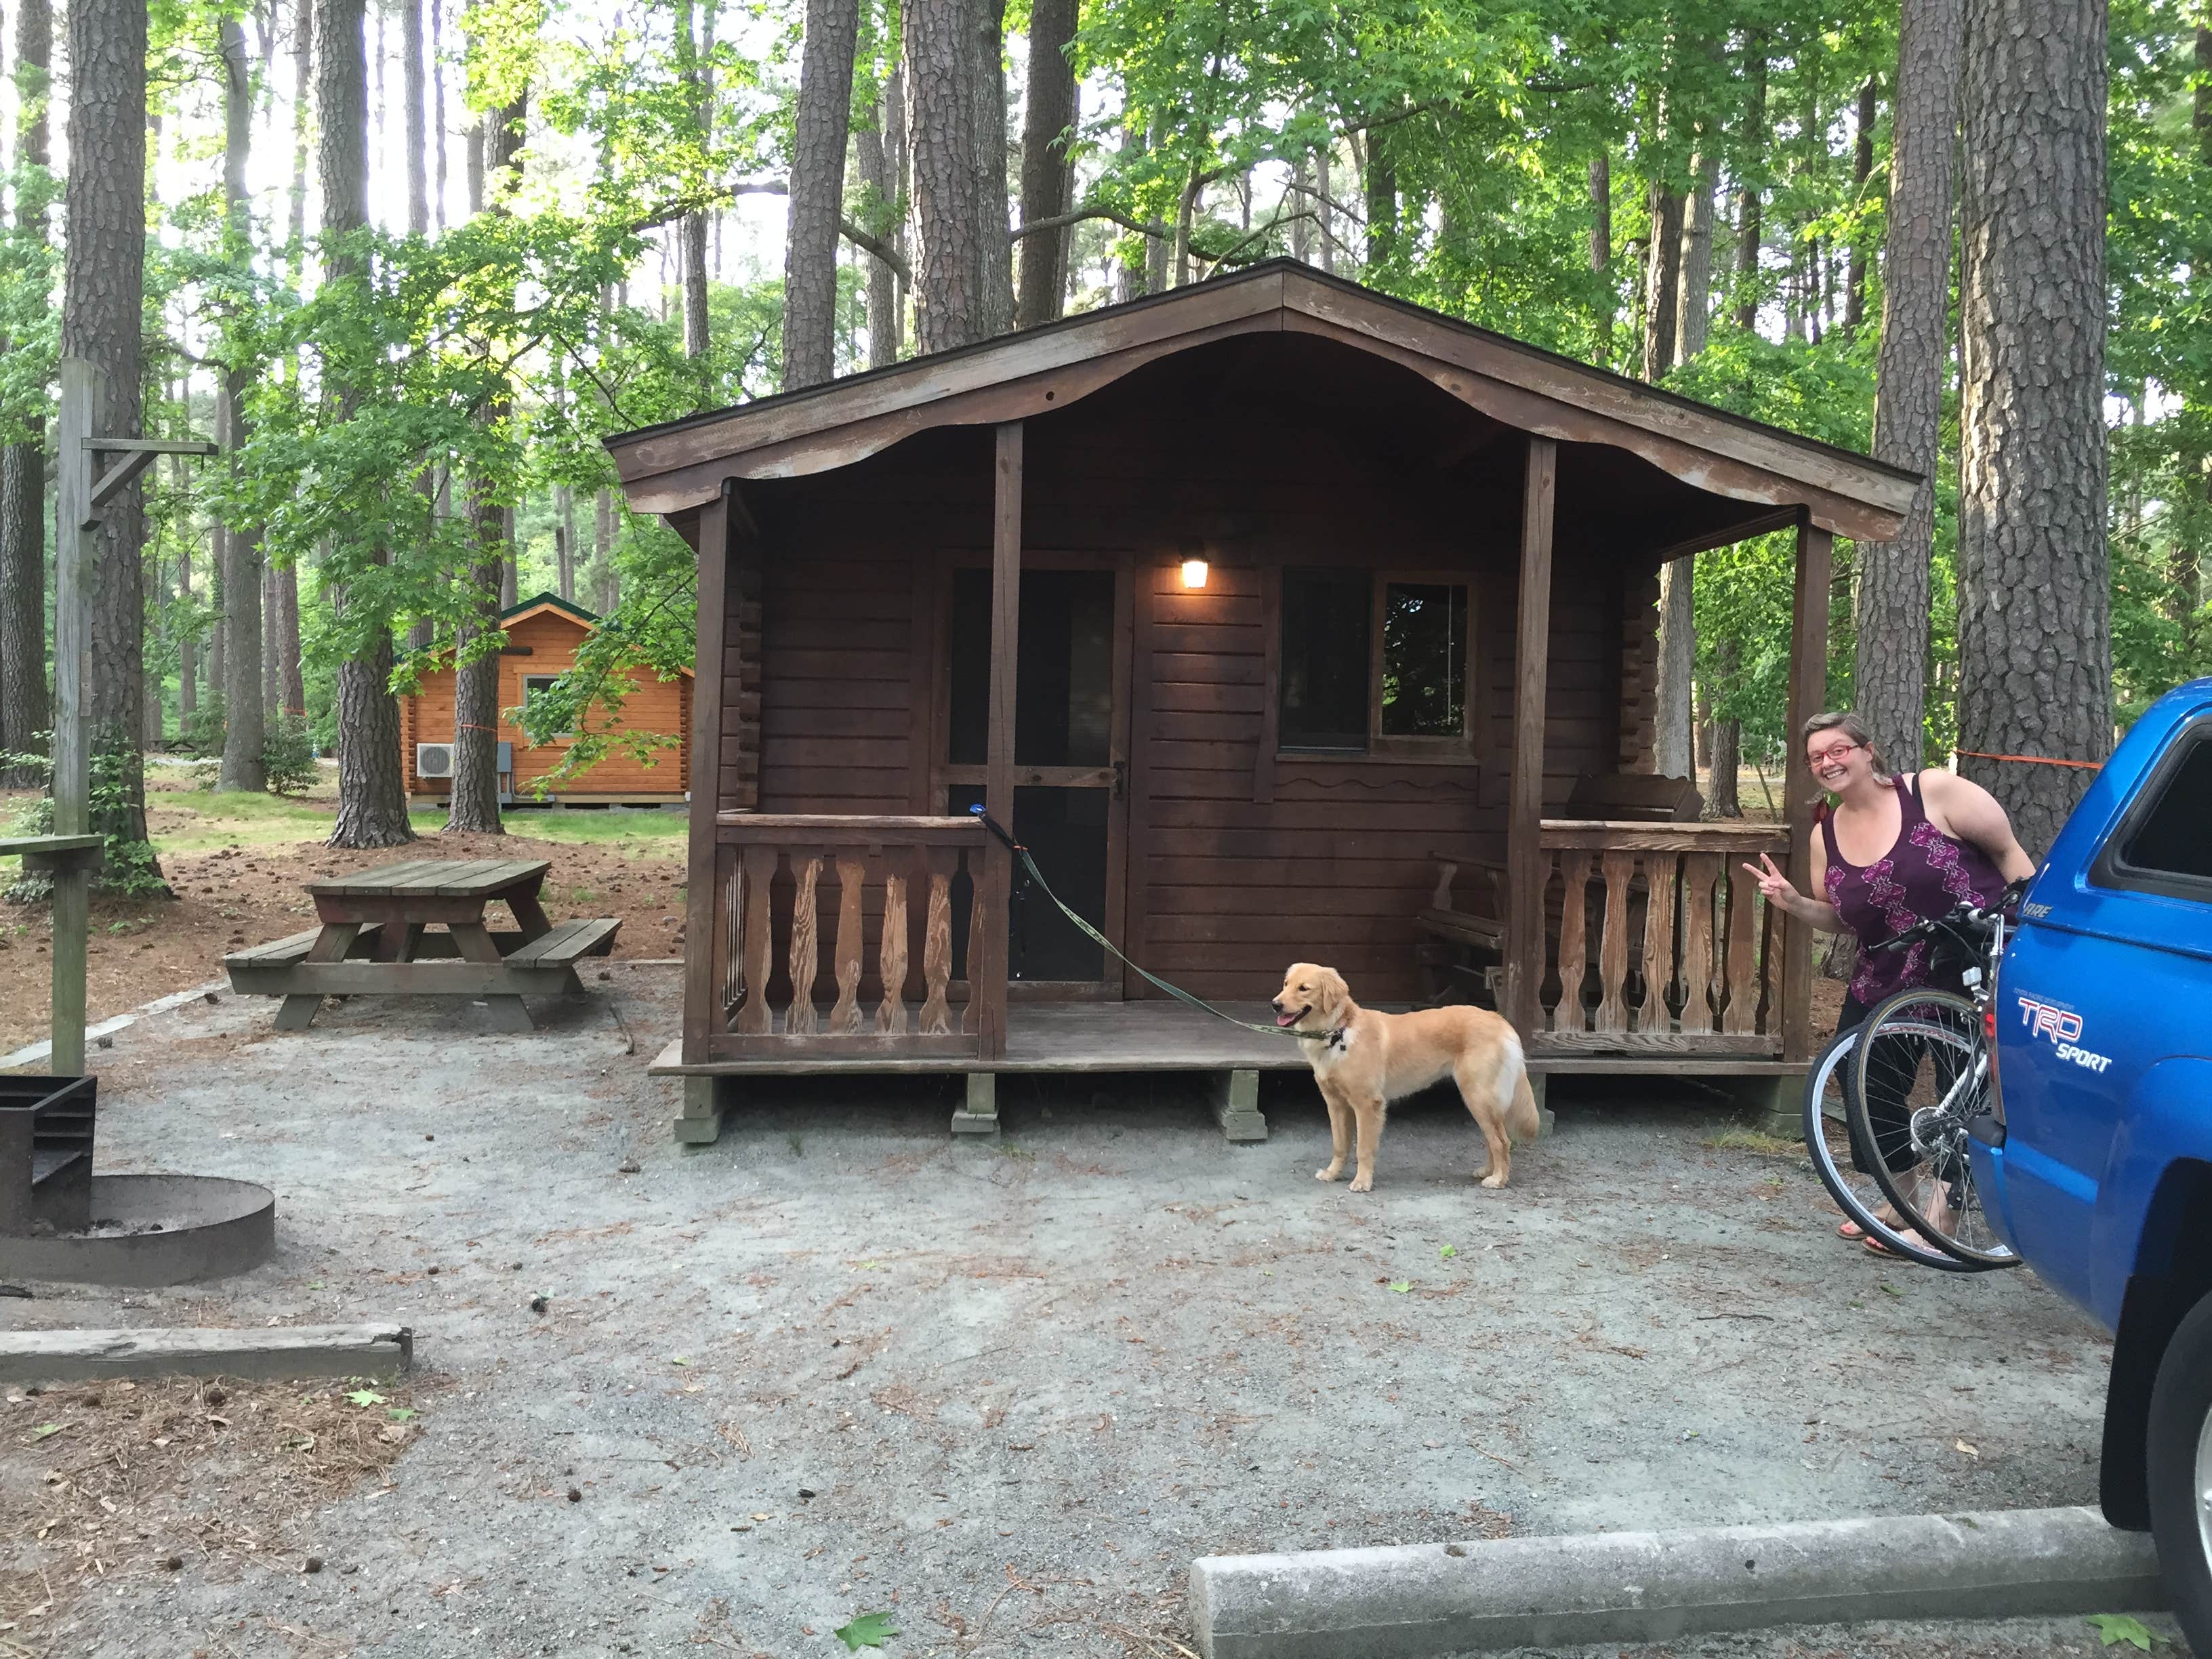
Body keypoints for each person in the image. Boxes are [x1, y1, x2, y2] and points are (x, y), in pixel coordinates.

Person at [1744, 710, 2036, 1255]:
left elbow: (2008, 855)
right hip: (1886, 974)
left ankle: (1943, 1217)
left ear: (1867, 750)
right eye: (1816, 757)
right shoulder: (1825, 834)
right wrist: (1794, 903)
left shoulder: (1933, 792)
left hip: (1970, 964)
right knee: (1861, 1078)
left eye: (1838, 750)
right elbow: (1841, 917)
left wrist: (2032, 930)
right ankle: (1900, 1195)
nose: (1828, 762)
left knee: (1969, 1091)